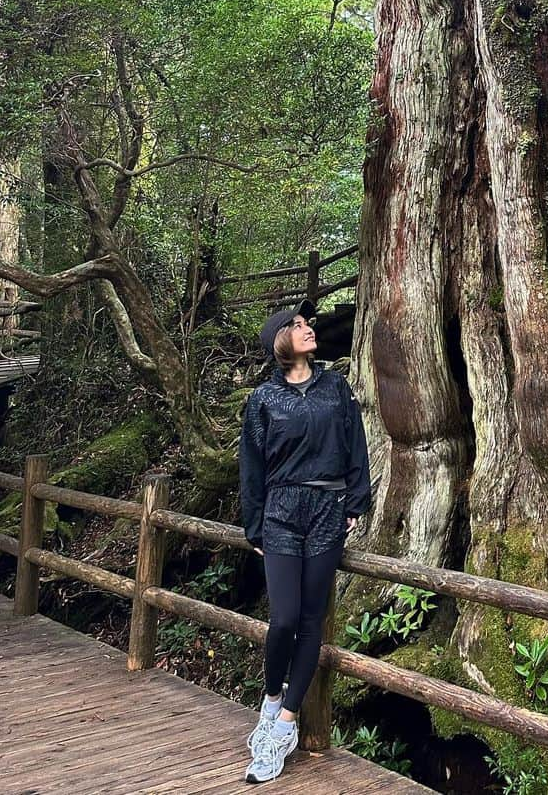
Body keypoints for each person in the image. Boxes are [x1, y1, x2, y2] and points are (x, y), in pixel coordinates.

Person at [239, 299, 371, 784]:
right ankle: (271, 698)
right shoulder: (262, 400)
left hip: (326, 511)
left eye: (306, 323)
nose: (307, 328)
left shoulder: (336, 388)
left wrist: (355, 502)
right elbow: (251, 466)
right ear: (280, 342)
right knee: (285, 618)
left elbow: (356, 445)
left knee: (311, 619)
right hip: (279, 512)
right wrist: (253, 524)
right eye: (296, 325)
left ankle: (286, 726)